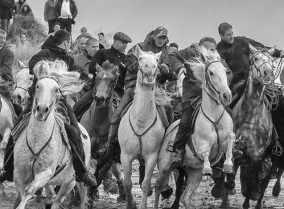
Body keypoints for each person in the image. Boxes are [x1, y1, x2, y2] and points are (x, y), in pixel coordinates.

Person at [0, 30, 97, 187]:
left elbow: (76, 73)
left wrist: (83, 77)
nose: (70, 45)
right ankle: (7, 170)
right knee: (16, 131)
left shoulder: (68, 58)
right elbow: (35, 67)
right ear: (65, 42)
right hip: (37, 100)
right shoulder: (42, 54)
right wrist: (50, 71)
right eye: (69, 42)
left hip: (59, 101)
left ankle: (81, 172)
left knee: (75, 132)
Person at [98, 26, 177, 158]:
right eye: (159, 37)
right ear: (154, 36)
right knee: (118, 112)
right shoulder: (139, 47)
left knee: (169, 108)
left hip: (156, 89)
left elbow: (173, 75)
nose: (161, 41)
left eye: (164, 38)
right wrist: (141, 66)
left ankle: (169, 142)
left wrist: (167, 71)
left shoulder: (168, 52)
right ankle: (110, 144)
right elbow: (128, 62)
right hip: (135, 86)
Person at [167, 37, 238, 169]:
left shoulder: (217, 59)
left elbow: (228, 73)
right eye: (210, 49)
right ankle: (178, 151)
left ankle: (233, 147)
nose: (213, 52)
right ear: (201, 47)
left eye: (214, 49)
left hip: (212, 97)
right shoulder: (190, 52)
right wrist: (180, 68)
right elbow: (172, 55)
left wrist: (222, 81)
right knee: (185, 121)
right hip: (192, 96)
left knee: (230, 114)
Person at [216, 22, 284, 102]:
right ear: (221, 36)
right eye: (228, 35)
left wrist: (279, 52)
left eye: (232, 33)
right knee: (229, 105)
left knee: (278, 97)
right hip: (233, 85)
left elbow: (261, 47)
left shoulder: (242, 41)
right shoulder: (218, 50)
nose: (232, 36)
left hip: (251, 79)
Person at [73, 32, 132, 119]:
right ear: (115, 41)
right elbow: (92, 67)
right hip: (97, 89)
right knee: (78, 106)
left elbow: (128, 78)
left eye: (126, 43)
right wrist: (104, 71)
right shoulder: (102, 53)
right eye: (123, 43)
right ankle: (72, 129)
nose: (125, 45)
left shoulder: (126, 59)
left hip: (118, 93)